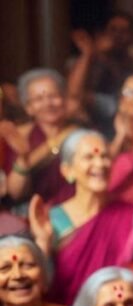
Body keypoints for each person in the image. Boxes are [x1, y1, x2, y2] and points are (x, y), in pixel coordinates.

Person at [27, 130, 133, 306]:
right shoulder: (53, 219)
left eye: (105, 156)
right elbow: (39, 285)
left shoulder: (130, 216)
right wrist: (43, 243)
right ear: (68, 170)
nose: (100, 163)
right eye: (89, 158)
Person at [2, 69, 77, 208]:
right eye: (38, 99)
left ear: (64, 99)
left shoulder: (81, 134)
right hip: (33, 213)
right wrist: (24, 158)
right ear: (28, 108)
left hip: (76, 212)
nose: (48, 104)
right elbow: (15, 193)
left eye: (53, 96)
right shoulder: (21, 137)